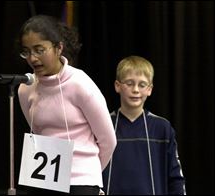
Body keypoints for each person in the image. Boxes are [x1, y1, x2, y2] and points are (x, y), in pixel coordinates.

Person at [16, 15, 117, 195]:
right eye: (27, 51)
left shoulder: (80, 84)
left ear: (58, 48)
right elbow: (37, 132)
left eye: (39, 50)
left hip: (81, 182)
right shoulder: (25, 88)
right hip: (43, 181)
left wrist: (89, 175)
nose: (33, 58)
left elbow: (108, 140)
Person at [102, 55, 186, 195]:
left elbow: (175, 178)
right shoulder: (104, 124)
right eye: (129, 83)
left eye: (142, 85)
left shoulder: (162, 128)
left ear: (150, 89)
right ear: (117, 86)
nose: (135, 90)